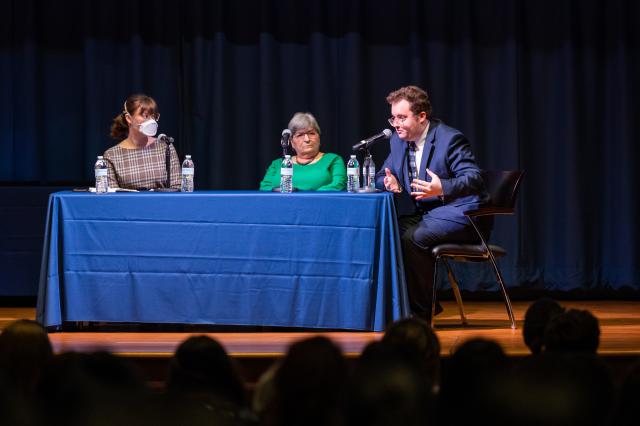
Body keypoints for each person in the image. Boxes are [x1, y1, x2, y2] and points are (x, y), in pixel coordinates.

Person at [375, 85, 490, 321]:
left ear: (421, 116)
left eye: (402, 117)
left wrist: (443, 188)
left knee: (414, 238)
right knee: (387, 232)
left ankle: (420, 315)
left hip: (464, 215)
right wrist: (389, 183)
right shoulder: (397, 142)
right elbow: (381, 174)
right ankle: (403, 307)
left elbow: (474, 178)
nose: (395, 124)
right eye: (393, 117)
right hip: (430, 214)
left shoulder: (449, 139)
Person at [104, 94, 181, 190]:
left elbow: (177, 188)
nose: (151, 121)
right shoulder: (111, 155)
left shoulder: (165, 147)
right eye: (145, 116)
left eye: (154, 116)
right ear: (128, 118)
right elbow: (112, 196)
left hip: (162, 204)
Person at [259, 112, 346, 191]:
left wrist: (302, 196)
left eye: (311, 133)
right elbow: (265, 188)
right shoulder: (277, 164)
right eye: (300, 135)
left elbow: (338, 185)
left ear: (319, 137)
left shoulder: (333, 160)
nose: (307, 139)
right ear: (292, 142)